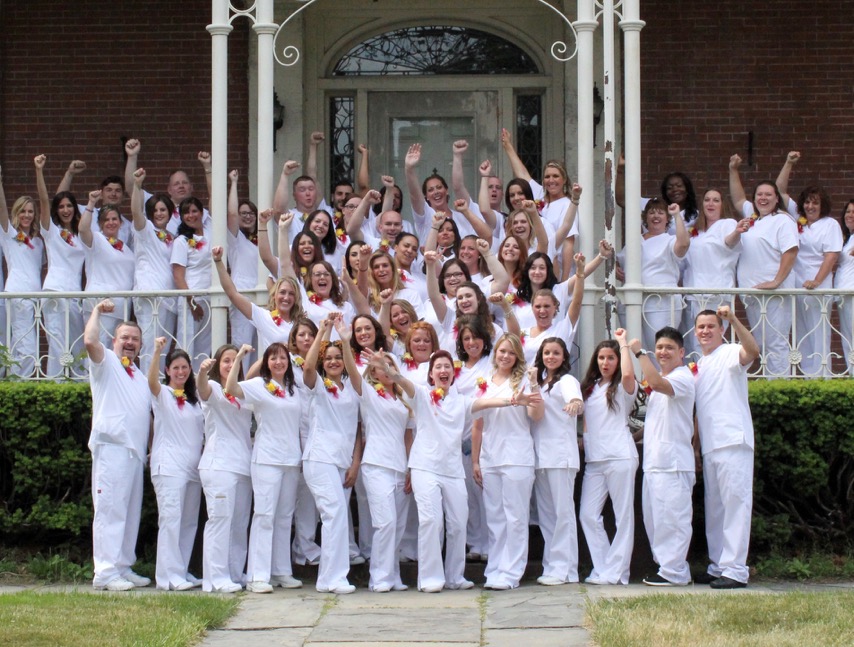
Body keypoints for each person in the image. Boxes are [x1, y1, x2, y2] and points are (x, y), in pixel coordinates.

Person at [373, 349, 541, 593]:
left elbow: (486, 402)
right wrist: (388, 370)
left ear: (453, 373)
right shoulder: (421, 394)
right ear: (431, 374)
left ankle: (454, 576)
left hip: (452, 471)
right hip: (424, 467)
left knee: (458, 523)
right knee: (431, 521)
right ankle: (430, 578)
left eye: (447, 367)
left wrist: (515, 400)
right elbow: (402, 382)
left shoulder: (461, 401)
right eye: (438, 367)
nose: (443, 371)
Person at [226, 342, 305, 593]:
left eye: (283, 358)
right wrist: (239, 357)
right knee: (264, 516)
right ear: (266, 363)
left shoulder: (294, 390)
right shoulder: (259, 386)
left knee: (284, 518)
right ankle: (257, 575)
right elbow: (231, 388)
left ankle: (281, 570)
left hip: (291, 460)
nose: (279, 362)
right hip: (267, 459)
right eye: (273, 359)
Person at [84, 300, 151, 591]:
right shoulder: (106, 363)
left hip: (134, 453)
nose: (130, 343)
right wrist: (97, 311)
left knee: (129, 513)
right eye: (125, 337)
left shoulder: (138, 375)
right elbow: (89, 340)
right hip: (112, 449)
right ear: (115, 340)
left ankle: (123, 566)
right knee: (110, 511)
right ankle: (105, 572)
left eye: (135, 339)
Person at [693, 306, 760, 589]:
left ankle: (736, 570)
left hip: (733, 440)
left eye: (711, 326)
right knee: (716, 509)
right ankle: (719, 565)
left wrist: (733, 318)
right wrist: (696, 447)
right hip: (711, 445)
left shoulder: (731, 352)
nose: (706, 331)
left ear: (721, 330)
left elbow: (752, 351)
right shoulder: (698, 365)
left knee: (735, 506)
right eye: (701, 327)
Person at [472, 334, 544, 590]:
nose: (505, 356)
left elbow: (536, 415)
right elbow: (478, 425)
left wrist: (534, 385)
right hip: (491, 457)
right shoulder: (484, 382)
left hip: (517, 457)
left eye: (511, 353)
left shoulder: (524, 381)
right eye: (502, 351)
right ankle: (495, 568)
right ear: (495, 354)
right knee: (495, 517)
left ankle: (511, 572)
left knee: (515, 516)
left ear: (517, 358)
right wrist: (476, 461)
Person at [301, 314, 364, 594]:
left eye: (338, 358)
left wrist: (346, 341)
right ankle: (335, 578)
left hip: (340, 461)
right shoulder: (318, 388)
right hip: (319, 458)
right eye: (330, 359)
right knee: (335, 513)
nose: (334, 362)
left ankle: (328, 579)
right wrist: (323, 332)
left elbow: (357, 429)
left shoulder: (353, 388)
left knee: (334, 517)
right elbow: (308, 368)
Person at [628, 327, 695, 587]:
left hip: (673, 463)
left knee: (673, 519)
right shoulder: (663, 383)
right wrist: (631, 439)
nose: (663, 352)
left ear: (681, 353)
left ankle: (675, 570)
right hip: (655, 462)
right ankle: (665, 567)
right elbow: (655, 424)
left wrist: (638, 352)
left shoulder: (681, 377)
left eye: (669, 348)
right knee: (655, 519)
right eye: (659, 348)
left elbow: (655, 382)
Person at [729, 155, 799, 377]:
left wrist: (776, 281)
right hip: (753, 294)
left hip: (774, 295)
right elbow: (738, 198)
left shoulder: (783, 220)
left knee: (776, 343)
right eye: (759, 194)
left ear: (777, 199)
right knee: (761, 343)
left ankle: (779, 390)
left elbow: (791, 252)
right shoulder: (754, 219)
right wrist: (733, 170)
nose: (763, 198)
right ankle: (769, 387)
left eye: (769, 194)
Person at [578, 329, 638, 585]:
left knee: (623, 516)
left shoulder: (624, 388)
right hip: (595, 460)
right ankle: (603, 568)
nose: (605, 363)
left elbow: (627, 373)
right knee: (588, 515)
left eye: (610, 358)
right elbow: (588, 424)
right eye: (601, 358)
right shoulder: (591, 388)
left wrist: (623, 344)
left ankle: (618, 572)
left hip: (620, 456)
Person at [147, 338, 204, 591]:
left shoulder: (194, 400)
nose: (181, 372)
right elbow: (151, 383)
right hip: (169, 467)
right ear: (168, 371)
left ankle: (181, 570)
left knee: (189, 521)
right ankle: (167, 577)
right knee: (171, 520)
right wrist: (157, 351)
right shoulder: (163, 394)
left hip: (193, 469)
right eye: (176, 368)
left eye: (185, 367)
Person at [197, 344, 253, 593]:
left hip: (242, 466)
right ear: (217, 365)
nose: (231, 365)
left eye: (234, 361)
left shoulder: (242, 393)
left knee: (239, 523)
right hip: (218, 465)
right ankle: (216, 578)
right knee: (220, 520)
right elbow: (202, 388)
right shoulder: (215, 390)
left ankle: (233, 572)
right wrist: (201, 372)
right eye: (226, 361)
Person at [530, 337, 583, 585]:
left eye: (556, 353)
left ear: (564, 357)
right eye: (547, 353)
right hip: (541, 457)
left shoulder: (567, 381)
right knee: (548, 516)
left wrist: (575, 404)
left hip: (561, 456)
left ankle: (564, 568)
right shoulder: (539, 384)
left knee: (563, 514)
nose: (551, 357)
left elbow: (576, 400)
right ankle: (555, 566)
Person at [359, 353, 413, 592]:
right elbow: (352, 372)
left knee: (399, 525)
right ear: (373, 373)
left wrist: (411, 467)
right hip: (376, 464)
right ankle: (379, 577)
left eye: (390, 365)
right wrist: (345, 339)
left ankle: (393, 575)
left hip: (400, 466)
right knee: (385, 522)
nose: (387, 369)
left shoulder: (403, 400)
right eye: (381, 367)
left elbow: (408, 436)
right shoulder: (369, 394)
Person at [35, 155, 86, 379]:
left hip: (74, 295)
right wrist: (39, 171)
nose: (66, 210)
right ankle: (55, 387)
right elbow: (47, 201)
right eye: (62, 207)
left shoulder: (81, 234)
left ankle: (76, 385)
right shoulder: (51, 231)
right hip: (55, 292)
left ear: (75, 209)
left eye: (69, 206)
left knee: (76, 343)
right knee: (57, 344)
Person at [616, 200, 690, 352]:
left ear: (667, 218)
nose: (656, 216)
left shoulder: (669, 240)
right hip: (633, 301)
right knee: (633, 348)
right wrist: (615, 268)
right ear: (645, 217)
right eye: (651, 212)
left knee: (659, 348)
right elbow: (621, 260)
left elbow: (683, 245)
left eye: (660, 212)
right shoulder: (635, 241)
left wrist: (676, 215)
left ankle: (660, 377)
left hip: (661, 302)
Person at [681, 189, 742, 358]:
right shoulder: (696, 231)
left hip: (716, 294)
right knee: (695, 344)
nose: (711, 203)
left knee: (712, 341)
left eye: (716, 200)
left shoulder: (727, 224)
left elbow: (730, 242)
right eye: (707, 200)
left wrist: (737, 231)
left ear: (723, 205)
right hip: (694, 294)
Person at [129, 168, 177, 373]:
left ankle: (159, 386)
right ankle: (149, 388)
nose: (159, 213)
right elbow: (135, 212)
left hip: (168, 297)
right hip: (149, 294)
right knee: (150, 344)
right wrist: (137, 186)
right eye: (155, 210)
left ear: (169, 213)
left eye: (163, 210)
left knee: (164, 345)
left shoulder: (171, 237)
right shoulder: (145, 230)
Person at [0, 162, 44, 377]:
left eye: (30, 211)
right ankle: (20, 384)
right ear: (16, 213)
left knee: (25, 344)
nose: (27, 215)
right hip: (18, 296)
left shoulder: (38, 241)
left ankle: (17, 382)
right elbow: (2, 208)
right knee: (26, 348)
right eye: (23, 211)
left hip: (34, 300)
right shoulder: (9, 235)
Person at [80, 191, 135, 348]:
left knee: (115, 353)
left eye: (114, 219)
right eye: (106, 220)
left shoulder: (125, 247)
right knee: (99, 349)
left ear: (120, 222)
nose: (111, 222)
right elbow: (83, 229)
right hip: (101, 305)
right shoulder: (96, 240)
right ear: (100, 223)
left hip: (121, 309)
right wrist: (91, 204)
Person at [172, 197, 212, 370]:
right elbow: (178, 275)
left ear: (202, 213)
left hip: (210, 296)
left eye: (194, 211)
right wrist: (192, 302)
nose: (191, 215)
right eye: (186, 212)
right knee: (187, 345)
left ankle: (200, 382)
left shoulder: (211, 233)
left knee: (205, 346)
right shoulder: (181, 241)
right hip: (192, 298)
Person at [835, 200, 854, 375]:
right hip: (843, 295)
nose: (850, 215)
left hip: (852, 293)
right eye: (848, 211)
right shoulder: (847, 238)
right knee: (848, 338)